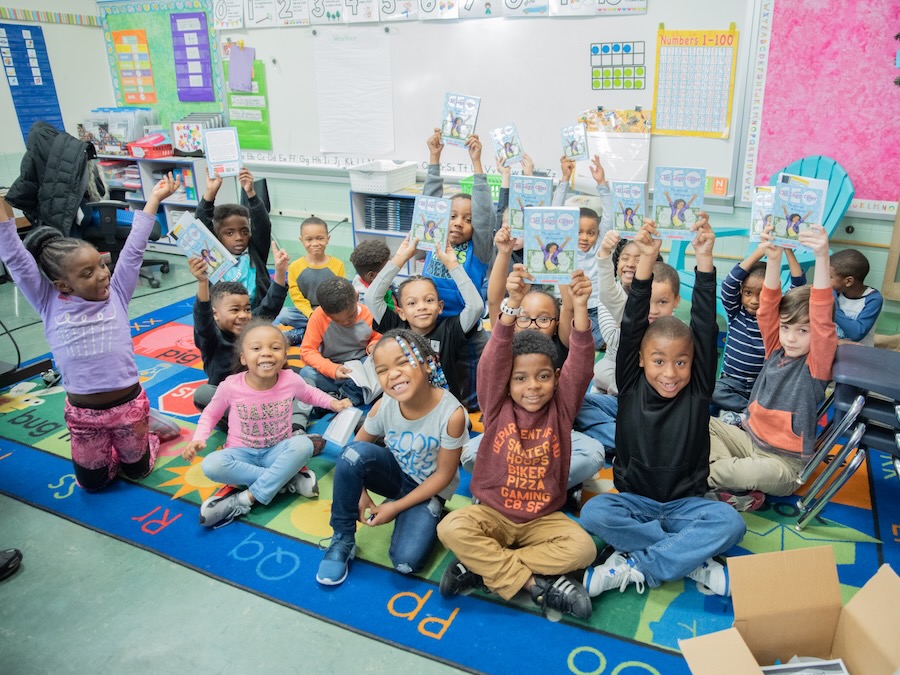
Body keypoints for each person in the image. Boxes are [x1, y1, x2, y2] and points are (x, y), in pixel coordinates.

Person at [580, 217, 746, 601]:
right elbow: (634, 318)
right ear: (639, 360)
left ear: (695, 363)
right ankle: (688, 557)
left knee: (731, 523)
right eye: (658, 361)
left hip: (688, 503)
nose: (670, 373)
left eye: (681, 363)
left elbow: (704, 324)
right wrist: (647, 260)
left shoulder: (699, 388)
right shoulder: (632, 378)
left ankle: (639, 563)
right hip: (635, 500)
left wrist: (705, 259)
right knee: (595, 513)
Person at [437, 269, 598, 620]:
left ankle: (481, 569)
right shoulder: (496, 406)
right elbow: (494, 359)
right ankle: (536, 586)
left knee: (584, 548)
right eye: (521, 378)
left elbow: (583, 364)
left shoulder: (562, 407)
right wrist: (511, 305)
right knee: (450, 527)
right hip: (493, 513)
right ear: (506, 383)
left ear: (556, 379)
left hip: (543, 518)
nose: (533, 386)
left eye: (543, 377)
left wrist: (581, 307)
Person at [0, 175, 180, 490]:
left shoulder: (118, 293)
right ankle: (120, 444)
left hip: (128, 407)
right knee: (92, 485)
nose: (103, 274)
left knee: (137, 472)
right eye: (88, 273)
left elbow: (134, 250)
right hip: (84, 417)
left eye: (100, 264)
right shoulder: (48, 300)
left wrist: (154, 200)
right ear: (63, 285)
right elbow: (14, 256)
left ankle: (147, 429)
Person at [317, 329, 467, 586]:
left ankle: (426, 511)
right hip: (395, 476)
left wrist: (395, 507)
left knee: (406, 564)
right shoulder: (385, 403)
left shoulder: (452, 414)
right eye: (382, 369)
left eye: (403, 362)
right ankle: (342, 538)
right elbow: (354, 448)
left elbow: (443, 476)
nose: (393, 374)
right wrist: (360, 493)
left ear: (429, 364)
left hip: (429, 488)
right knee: (353, 455)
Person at [708, 223, 837, 502]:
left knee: (720, 471)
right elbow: (768, 307)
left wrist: (822, 257)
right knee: (697, 423)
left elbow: (822, 316)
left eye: (802, 331)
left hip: (784, 465)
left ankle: (711, 480)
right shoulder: (776, 348)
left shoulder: (815, 363)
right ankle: (734, 492)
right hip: (749, 441)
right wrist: (774, 257)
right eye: (786, 328)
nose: (791, 338)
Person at [182, 320, 351, 529]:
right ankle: (287, 479)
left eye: (275, 348)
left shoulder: (290, 379)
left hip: (277, 451)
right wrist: (199, 439)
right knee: (211, 464)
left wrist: (334, 403)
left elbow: (310, 394)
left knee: (304, 445)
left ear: (284, 356)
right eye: (256, 348)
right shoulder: (231, 386)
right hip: (241, 454)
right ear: (243, 358)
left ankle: (245, 499)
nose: (266, 353)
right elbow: (210, 414)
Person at [365, 235, 483, 406]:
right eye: (412, 303)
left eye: (429, 300)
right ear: (402, 312)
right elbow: (371, 297)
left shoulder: (450, 330)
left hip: (444, 407)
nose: (422, 307)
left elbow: (476, 306)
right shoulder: (397, 326)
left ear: (440, 306)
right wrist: (400, 258)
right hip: (405, 403)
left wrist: (452, 265)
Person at [190, 242, 289, 414]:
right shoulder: (212, 338)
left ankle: (294, 424)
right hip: (236, 406)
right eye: (235, 310)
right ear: (215, 314)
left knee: (303, 379)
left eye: (247, 309)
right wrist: (203, 282)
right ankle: (256, 420)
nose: (243, 315)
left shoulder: (250, 328)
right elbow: (202, 320)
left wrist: (280, 271)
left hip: (264, 394)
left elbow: (270, 306)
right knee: (204, 394)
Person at [713, 245, 808, 417]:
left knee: (781, 399)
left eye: (762, 294)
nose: (754, 300)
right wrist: (760, 251)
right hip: (732, 381)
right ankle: (750, 412)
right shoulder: (736, 311)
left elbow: (798, 286)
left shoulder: (777, 317)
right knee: (714, 392)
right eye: (748, 293)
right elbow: (729, 284)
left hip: (763, 383)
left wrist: (788, 251)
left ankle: (749, 412)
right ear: (741, 292)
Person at [299, 276, 381, 408]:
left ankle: (337, 397)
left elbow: (377, 337)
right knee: (306, 373)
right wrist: (333, 369)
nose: (346, 323)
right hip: (335, 369)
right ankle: (352, 395)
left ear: (356, 297)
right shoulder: (318, 316)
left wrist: (372, 347)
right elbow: (307, 351)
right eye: (338, 321)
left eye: (351, 316)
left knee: (379, 363)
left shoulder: (369, 313)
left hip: (361, 366)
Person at [196, 168, 273, 308]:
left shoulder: (255, 253)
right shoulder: (213, 255)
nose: (239, 238)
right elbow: (201, 225)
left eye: (244, 231)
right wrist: (210, 193)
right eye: (229, 233)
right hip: (224, 315)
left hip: (257, 313)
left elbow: (263, 225)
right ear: (217, 236)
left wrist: (251, 193)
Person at [276, 217, 346, 345]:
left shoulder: (338, 265)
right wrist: (311, 314)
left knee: (342, 319)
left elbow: (340, 294)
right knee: (284, 314)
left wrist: (322, 313)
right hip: (305, 312)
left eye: (320, 238)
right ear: (301, 240)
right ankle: (317, 331)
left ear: (327, 239)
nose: (315, 243)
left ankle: (303, 334)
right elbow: (297, 297)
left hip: (328, 312)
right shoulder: (295, 267)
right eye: (309, 239)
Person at [830, 248, 883, 347]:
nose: (825, 280)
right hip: (833, 345)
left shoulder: (873, 299)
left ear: (848, 281)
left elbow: (857, 333)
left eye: (830, 277)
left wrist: (833, 309)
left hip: (859, 351)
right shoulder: (834, 292)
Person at [349, 239, 395, 311]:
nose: (391, 270)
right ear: (371, 276)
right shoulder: (365, 303)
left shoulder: (379, 282)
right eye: (387, 268)